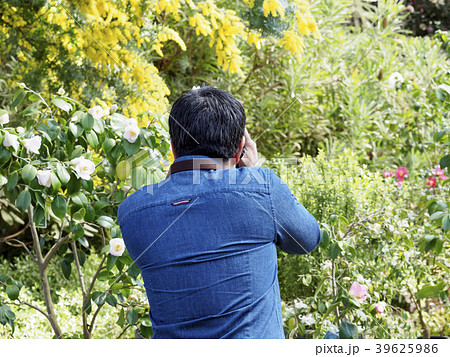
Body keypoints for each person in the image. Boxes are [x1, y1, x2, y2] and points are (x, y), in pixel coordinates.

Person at [117, 86, 320, 339]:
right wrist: (253, 171)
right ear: (240, 149)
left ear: (172, 147)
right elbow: (308, 239)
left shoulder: (132, 212)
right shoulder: (262, 189)